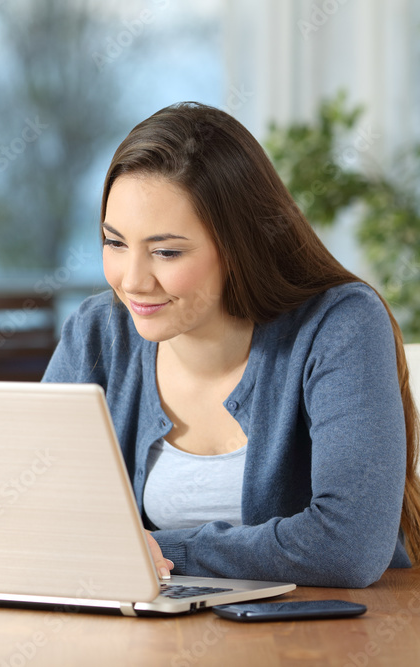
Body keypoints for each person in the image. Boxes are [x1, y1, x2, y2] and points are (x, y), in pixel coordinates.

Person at [43, 102, 420, 588]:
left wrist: (159, 551)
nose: (132, 281)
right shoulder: (95, 332)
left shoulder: (341, 324)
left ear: (240, 245)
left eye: (166, 251)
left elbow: (348, 548)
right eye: (115, 243)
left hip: (328, 639)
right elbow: (37, 517)